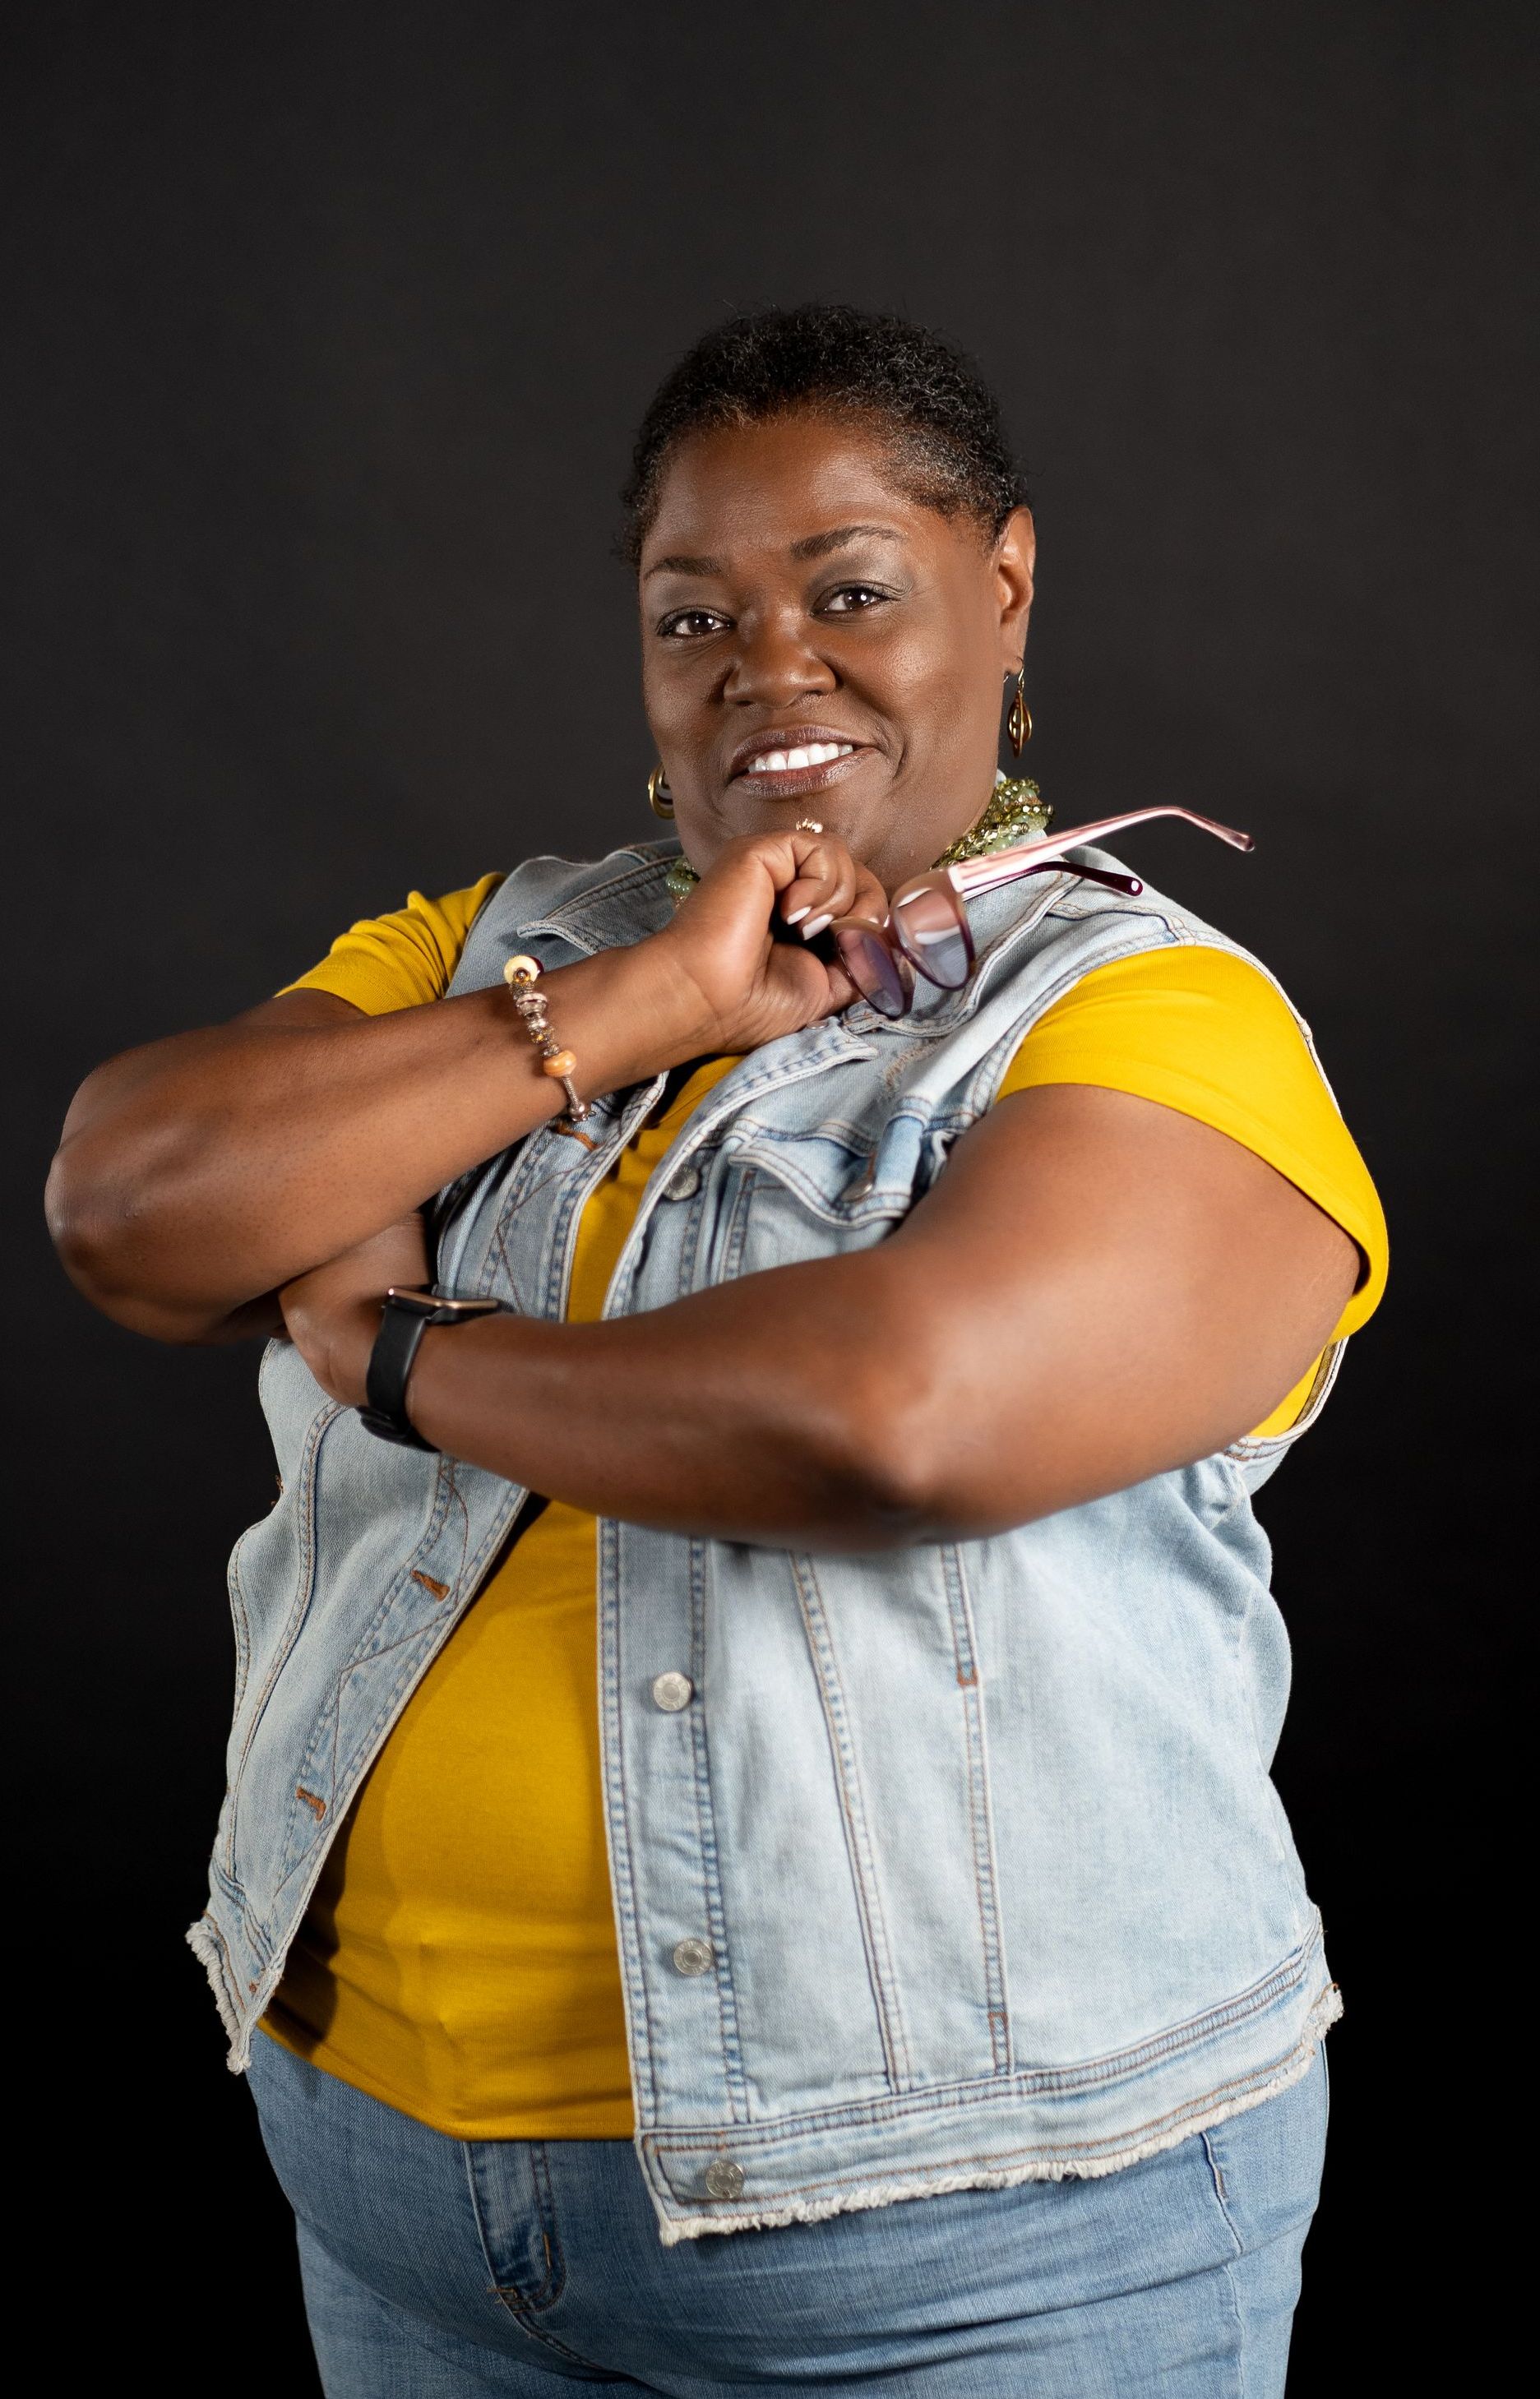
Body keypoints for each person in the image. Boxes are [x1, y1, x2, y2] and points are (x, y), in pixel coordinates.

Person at [47, 304, 1386, 2395]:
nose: (771, 665)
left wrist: (393, 1347)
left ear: (1004, 587)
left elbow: (889, 1413)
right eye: (696, 617)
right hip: (395, 2191)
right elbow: (131, 1206)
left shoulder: (1144, 1012)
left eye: (851, 590)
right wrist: (645, 1003)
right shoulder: (500, 948)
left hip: (966, 2250)